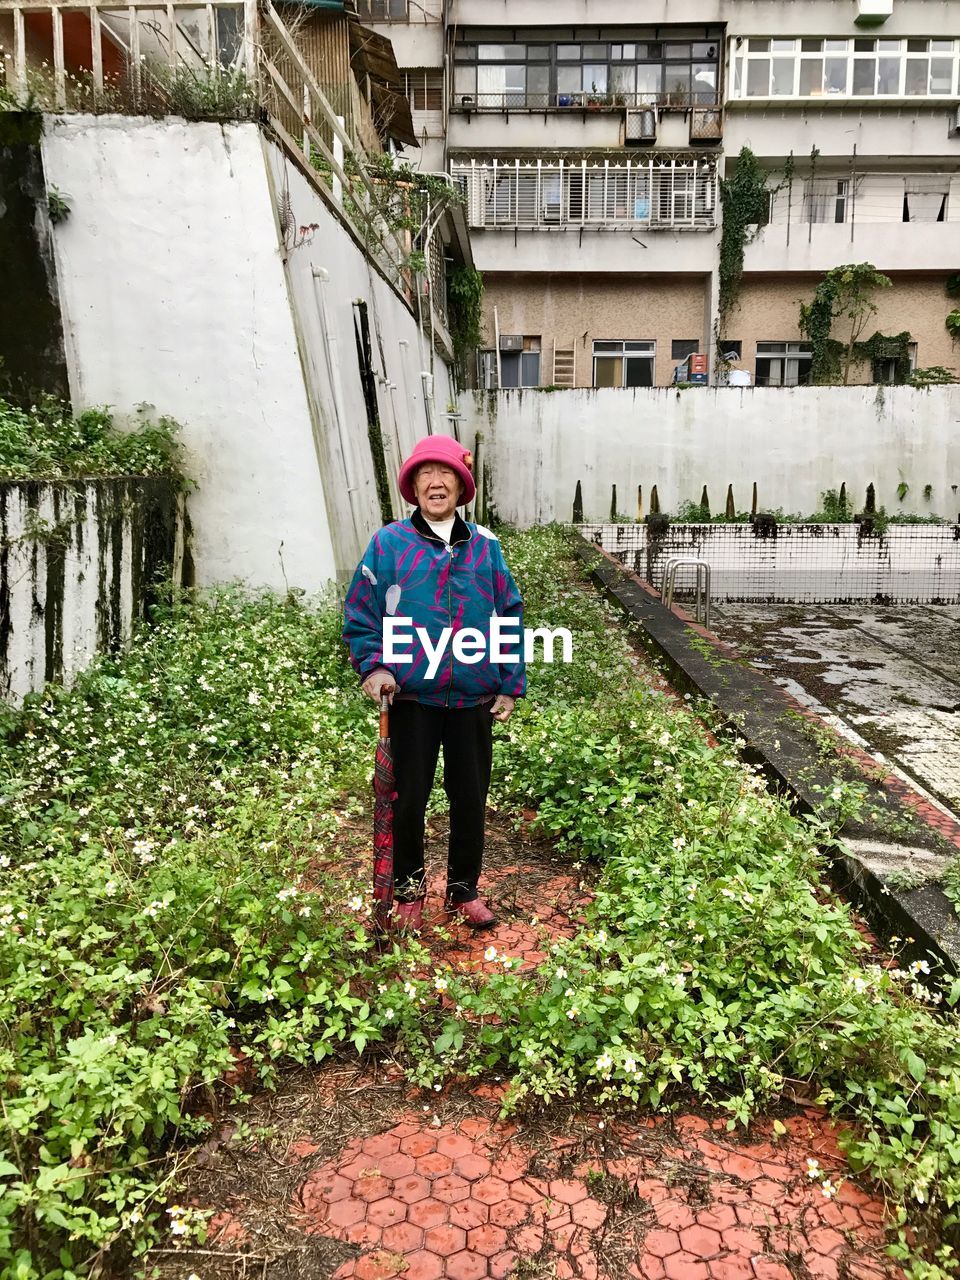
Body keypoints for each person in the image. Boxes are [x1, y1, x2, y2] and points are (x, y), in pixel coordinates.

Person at [343, 434, 526, 932]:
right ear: (414, 486)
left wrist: (509, 684)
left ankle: (464, 890)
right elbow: (362, 612)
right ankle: (408, 891)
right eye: (425, 474)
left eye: (445, 474)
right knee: (409, 798)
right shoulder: (388, 544)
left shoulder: (486, 546)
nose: (435, 482)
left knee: (469, 796)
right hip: (413, 698)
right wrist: (374, 667)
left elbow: (508, 612)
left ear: (461, 486)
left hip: (473, 697)